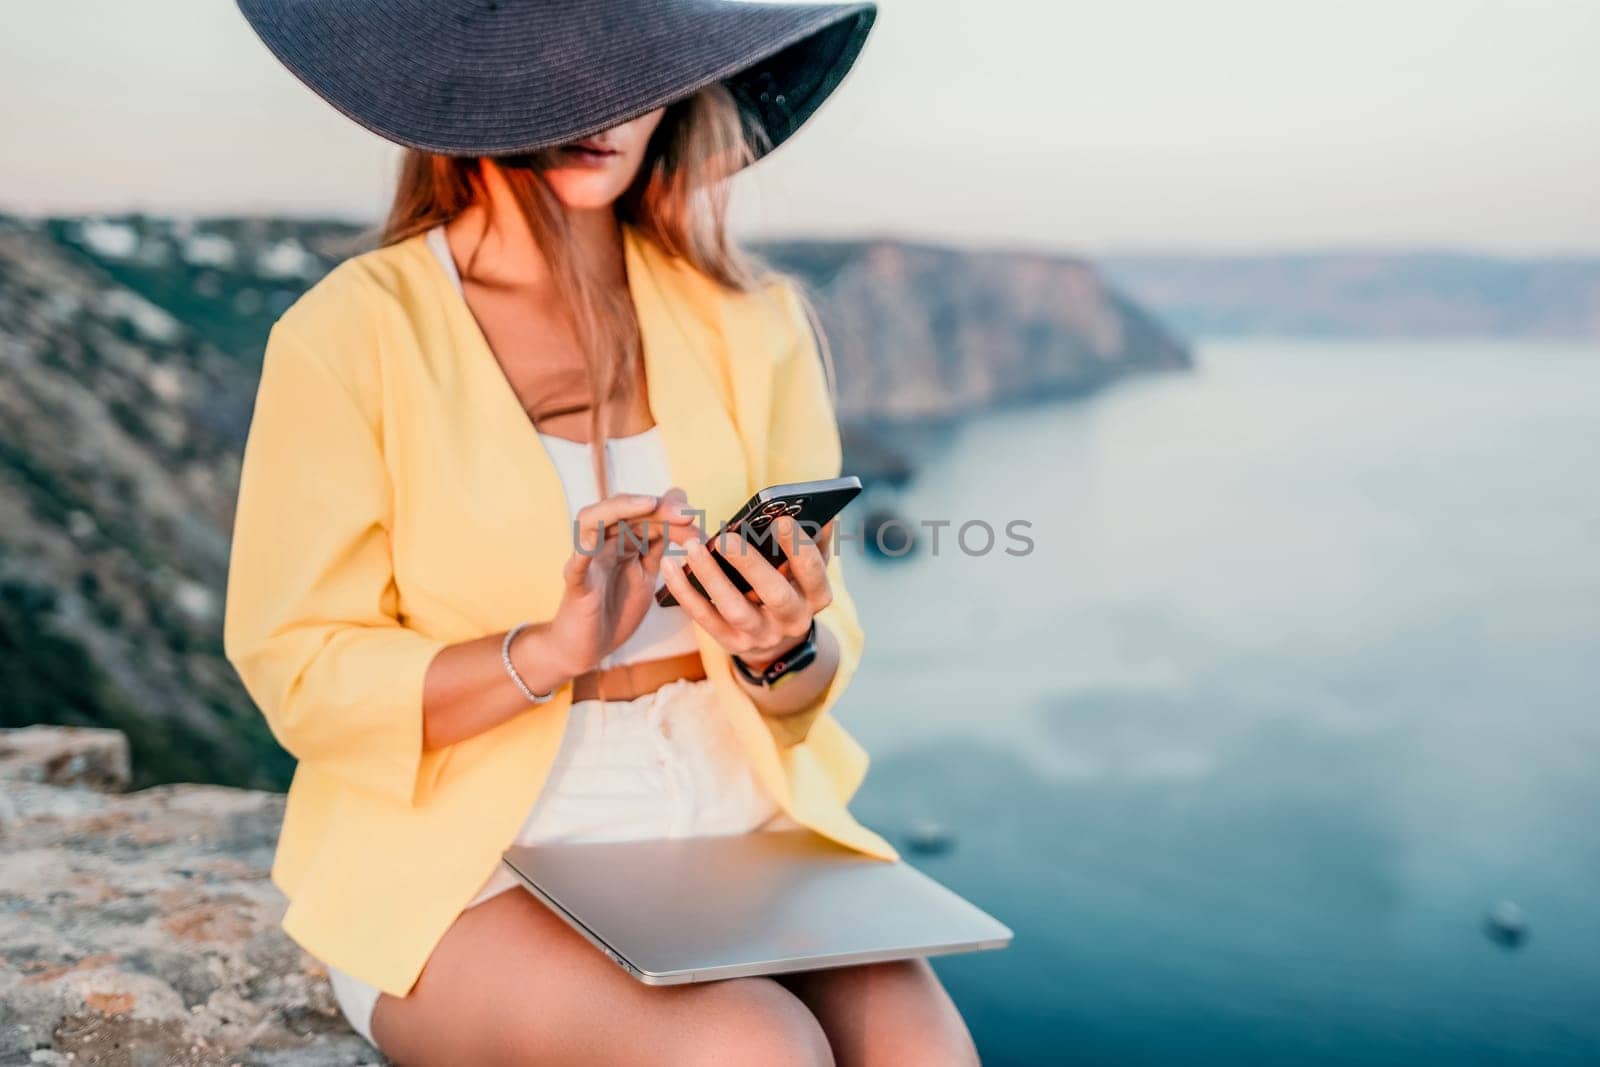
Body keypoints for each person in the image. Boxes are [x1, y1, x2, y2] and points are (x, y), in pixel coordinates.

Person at [222, 0, 979, 1062]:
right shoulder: (350, 333)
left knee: (921, 1046)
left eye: (634, 65)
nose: (607, 107)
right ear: (472, 85)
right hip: (474, 854)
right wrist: (546, 651)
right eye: (558, 68)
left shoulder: (751, 321)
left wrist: (781, 645)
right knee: (747, 1045)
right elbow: (299, 668)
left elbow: (818, 662)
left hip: (729, 816)